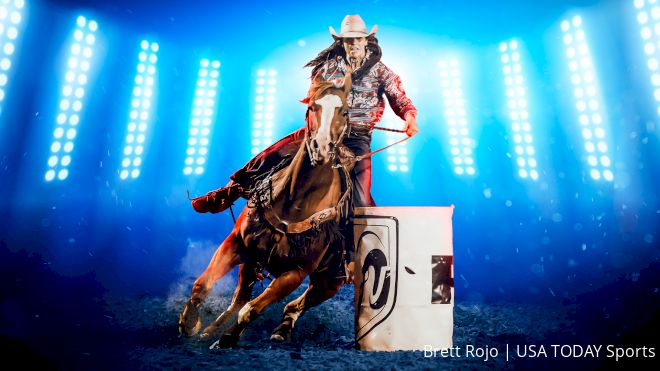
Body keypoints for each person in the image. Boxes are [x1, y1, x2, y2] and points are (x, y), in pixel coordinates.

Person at [191, 14, 419, 281]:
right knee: (272, 154)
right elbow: (315, 97)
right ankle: (231, 190)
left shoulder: (382, 72)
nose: (353, 45)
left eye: (357, 40)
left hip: (356, 137)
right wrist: (319, 122)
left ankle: (350, 255)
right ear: (341, 42)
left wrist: (410, 118)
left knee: (359, 197)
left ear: (367, 40)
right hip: (321, 128)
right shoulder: (327, 68)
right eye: (348, 41)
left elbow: (399, 98)